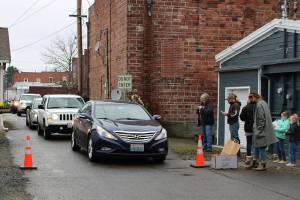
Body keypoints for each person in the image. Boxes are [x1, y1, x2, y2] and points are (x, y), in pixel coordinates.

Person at [251, 92, 277, 171]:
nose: (251, 99)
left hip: (261, 131)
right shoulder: (264, 103)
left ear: (255, 97)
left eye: (251, 97)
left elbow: (261, 119)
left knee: (261, 147)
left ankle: (262, 165)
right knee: (258, 147)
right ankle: (257, 163)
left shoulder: (259, 105)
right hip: (264, 130)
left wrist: (258, 130)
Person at [240, 96, 256, 167]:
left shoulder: (245, 107)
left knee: (249, 142)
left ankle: (248, 158)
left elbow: (242, 118)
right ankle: (255, 158)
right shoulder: (257, 106)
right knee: (256, 143)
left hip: (248, 127)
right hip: (256, 127)